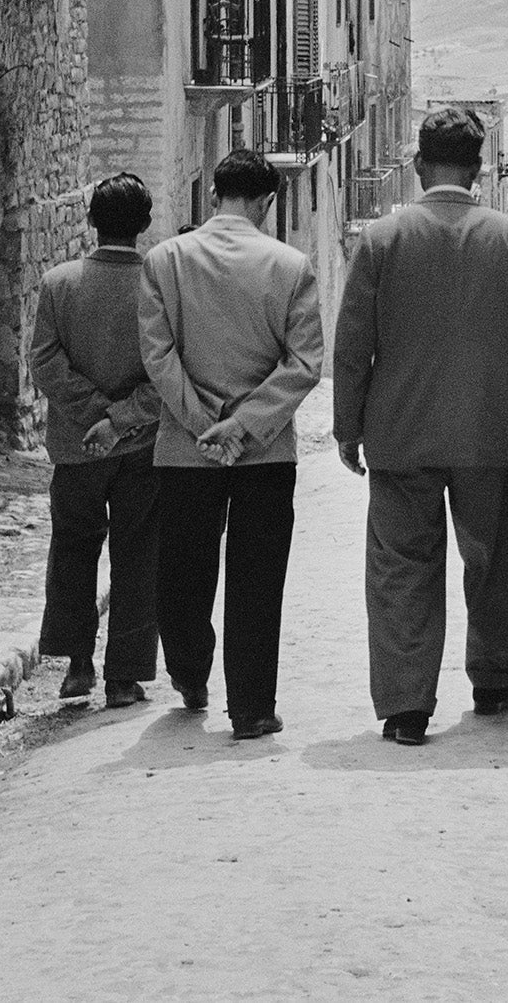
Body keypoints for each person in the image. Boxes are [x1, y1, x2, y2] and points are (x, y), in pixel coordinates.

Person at [334, 107, 508, 746]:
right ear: (479, 166)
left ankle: (407, 707)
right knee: (495, 560)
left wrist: (347, 426)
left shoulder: (381, 240)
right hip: (494, 431)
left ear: (416, 165)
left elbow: (354, 343)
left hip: (400, 433)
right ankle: (492, 681)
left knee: (402, 564)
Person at [137, 149, 323, 742]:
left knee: (183, 571)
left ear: (214, 194)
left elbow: (157, 355)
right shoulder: (291, 266)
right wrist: (242, 426)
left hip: (186, 450)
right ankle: (251, 709)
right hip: (265, 453)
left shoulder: (164, 261)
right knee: (257, 579)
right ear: (267, 202)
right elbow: (304, 364)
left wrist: (202, 423)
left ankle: (190, 675)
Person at [29, 171, 165, 710]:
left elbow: (43, 361)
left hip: (75, 446)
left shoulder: (58, 283)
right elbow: (167, 374)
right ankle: (124, 676)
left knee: (73, 549)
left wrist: (92, 419)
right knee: (138, 554)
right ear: (145, 225)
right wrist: (120, 420)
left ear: (90, 220)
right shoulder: (160, 287)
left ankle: (77, 665)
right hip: (141, 447)